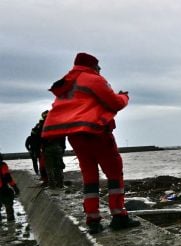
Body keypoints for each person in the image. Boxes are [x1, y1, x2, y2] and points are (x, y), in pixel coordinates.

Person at [42, 52, 140, 234]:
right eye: (98, 66)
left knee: (89, 177)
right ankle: (119, 216)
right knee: (114, 172)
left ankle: (93, 219)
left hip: (75, 136)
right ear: (93, 66)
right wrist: (124, 97)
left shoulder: (68, 84)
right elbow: (115, 103)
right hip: (97, 133)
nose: (100, 70)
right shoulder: (93, 79)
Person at [41, 110, 66, 189]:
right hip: (58, 147)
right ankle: (60, 184)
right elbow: (63, 136)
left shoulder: (42, 125)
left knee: (49, 167)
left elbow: (40, 138)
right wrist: (63, 147)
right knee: (59, 166)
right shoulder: (57, 124)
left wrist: (43, 148)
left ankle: (52, 185)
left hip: (48, 148)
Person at [0, 153, 20, 222]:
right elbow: (7, 177)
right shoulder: (2, 165)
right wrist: (14, 187)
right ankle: (11, 222)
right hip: (3, 189)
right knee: (8, 205)